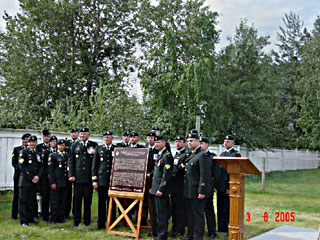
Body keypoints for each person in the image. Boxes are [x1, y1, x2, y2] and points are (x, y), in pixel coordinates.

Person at [182, 133, 211, 240]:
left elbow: (205, 175)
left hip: (197, 191)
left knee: (198, 215)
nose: (189, 143)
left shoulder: (203, 155)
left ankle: (198, 237)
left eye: (192, 141)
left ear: (198, 142)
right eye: (188, 141)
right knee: (190, 214)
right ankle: (190, 235)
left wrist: (202, 191)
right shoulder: (191, 154)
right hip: (189, 190)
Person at [68, 127, 98, 227]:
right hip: (77, 178)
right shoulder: (74, 145)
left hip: (89, 178)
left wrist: (94, 178)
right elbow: (71, 161)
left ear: (88, 135)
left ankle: (87, 220)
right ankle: (76, 220)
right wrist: (71, 175)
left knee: (87, 200)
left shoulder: (94, 145)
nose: (82, 135)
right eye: (81, 134)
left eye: (84, 134)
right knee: (77, 200)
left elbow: (95, 162)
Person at [150, 135, 173, 240]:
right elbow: (156, 173)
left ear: (164, 142)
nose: (156, 144)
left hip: (161, 190)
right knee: (156, 213)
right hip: (155, 188)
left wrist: (161, 189)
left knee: (162, 214)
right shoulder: (160, 155)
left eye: (158, 142)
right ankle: (156, 233)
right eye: (155, 142)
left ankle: (162, 235)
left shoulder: (167, 156)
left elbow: (166, 175)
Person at [92, 131, 116, 230]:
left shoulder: (116, 149)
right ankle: (101, 223)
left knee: (112, 203)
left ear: (112, 138)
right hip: (101, 180)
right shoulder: (99, 148)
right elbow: (94, 165)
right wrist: (94, 180)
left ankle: (112, 222)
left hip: (112, 180)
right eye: (105, 137)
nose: (106, 139)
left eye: (108, 137)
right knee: (101, 203)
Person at [217, 135, 241, 234]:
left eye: (228, 141)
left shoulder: (236, 155)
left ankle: (230, 227)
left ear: (233, 143)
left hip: (229, 185)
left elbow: (233, 172)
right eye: (224, 141)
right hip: (220, 185)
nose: (225, 143)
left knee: (229, 208)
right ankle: (222, 227)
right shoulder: (222, 154)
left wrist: (229, 187)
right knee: (220, 206)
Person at [18, 135, 42, 226]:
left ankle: (31, 218)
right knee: (23, 201)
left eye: (34, 142)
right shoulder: (23, 152)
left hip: (34, 181)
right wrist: (32, 177)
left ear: (36, 143)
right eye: (30, 142)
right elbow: (22, 167)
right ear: (27, 143)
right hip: (25, 181)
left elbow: (41, 167)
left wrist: (38, 176)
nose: (32, 143)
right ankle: (23, 221)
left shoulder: (38, 153)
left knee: (31, 201)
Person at [200, 137, 221, 239]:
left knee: (209, 209)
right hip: (197, 187)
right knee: (198, 211)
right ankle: (199, 230)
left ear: (207, 145)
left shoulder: (211, 157)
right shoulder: (195, 156)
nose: (200, 145)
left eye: (202, 143)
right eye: (199, 143)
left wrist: (213, 185)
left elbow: (216, 174)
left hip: (208, 187)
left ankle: (212, 231)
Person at [169, 135, 189, 238]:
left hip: (181, 187)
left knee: (181, 209)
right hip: (174, 187)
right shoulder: (176, 154)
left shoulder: (186, 154)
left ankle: (180, 230)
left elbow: (179, 169)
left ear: (184, 143)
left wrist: (172, 172)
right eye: (176, 141)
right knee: (174, 209)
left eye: (179, 141)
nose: (177, 143)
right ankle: (174, 227)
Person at [48, 139, 68, 224]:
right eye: (59, 145)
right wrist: (52, 182)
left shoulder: (67, 155)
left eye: (63, 145)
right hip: (56, 181)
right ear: (57, 146)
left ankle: (61, 217)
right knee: (55, 201)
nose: (61, 147)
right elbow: (50, 170)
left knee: (63, 201)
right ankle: (53, 218)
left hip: (64, 182)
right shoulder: (53, 155)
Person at [11, 133, 31, 220]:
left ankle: (27, 214)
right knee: (17, 196)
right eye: (24, 139)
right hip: (19, 175)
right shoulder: (17, 149)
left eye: (27, 139)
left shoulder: (32, 150)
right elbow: (14, 162)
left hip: (29, 177)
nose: (25, 141)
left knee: (28, 196)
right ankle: (14, 214)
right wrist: (22, 169)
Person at [39, 135, 58, 222]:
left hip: (56, 177)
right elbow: (43, 165)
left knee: (54, 197)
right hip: (46, 177)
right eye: (51, 142)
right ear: (49, 143)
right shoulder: (45, 152)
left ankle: (54, 214)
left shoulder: (59, 151)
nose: (53, 143)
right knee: (45, 196)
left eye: (54, 142)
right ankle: (45, 215)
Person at [36, 128, 51, 218]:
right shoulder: (39, 147)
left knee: (50, 193)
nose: (46, 138)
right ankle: (40, 210)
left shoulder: (53, 146)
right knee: (41, 193)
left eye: (48, 136)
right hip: (42, 174)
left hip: (51, 173)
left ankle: (49, 210)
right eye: (45, 136)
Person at [64, 127, 79, 219]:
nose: (73, 134)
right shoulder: (67, 143)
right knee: (67, 193)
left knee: (76, 194)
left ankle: (75, 212)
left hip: (77, 171)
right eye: (72, 133)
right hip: (67, 171)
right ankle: (66, 212)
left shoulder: (79, 143)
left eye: (75, 133)